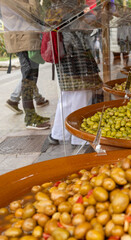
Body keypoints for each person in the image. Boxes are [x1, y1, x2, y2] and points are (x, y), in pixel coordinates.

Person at [46, 0, 103, 145]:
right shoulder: (67, 8)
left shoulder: (60, 7)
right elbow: (75, 33)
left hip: (71, 57)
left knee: (70, 97)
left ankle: (59, 133)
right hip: (74, 58)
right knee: (80, 96)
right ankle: (77, 137)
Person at [1, 0, 51, 129]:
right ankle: (30, 118)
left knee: (31, 76)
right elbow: (32, 13)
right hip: (22, 38)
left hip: (23, 37)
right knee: (29, 76)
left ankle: (31, 113)